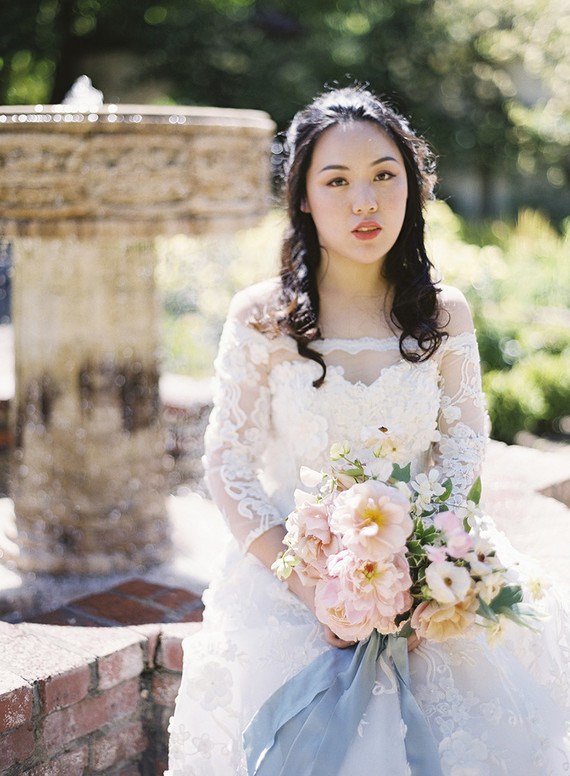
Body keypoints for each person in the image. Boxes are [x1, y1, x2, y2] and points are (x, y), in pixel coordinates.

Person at [166, 85, 570, 775]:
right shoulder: (260, 317)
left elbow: (465, 446)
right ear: (302, 196)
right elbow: (227, 462)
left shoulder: (446, 315)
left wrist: (426, 570)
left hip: (430, 576)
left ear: (412, 185)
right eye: (338, 180)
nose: (365, 202)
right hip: (291, 577)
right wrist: (317, 586)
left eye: (385, 176)